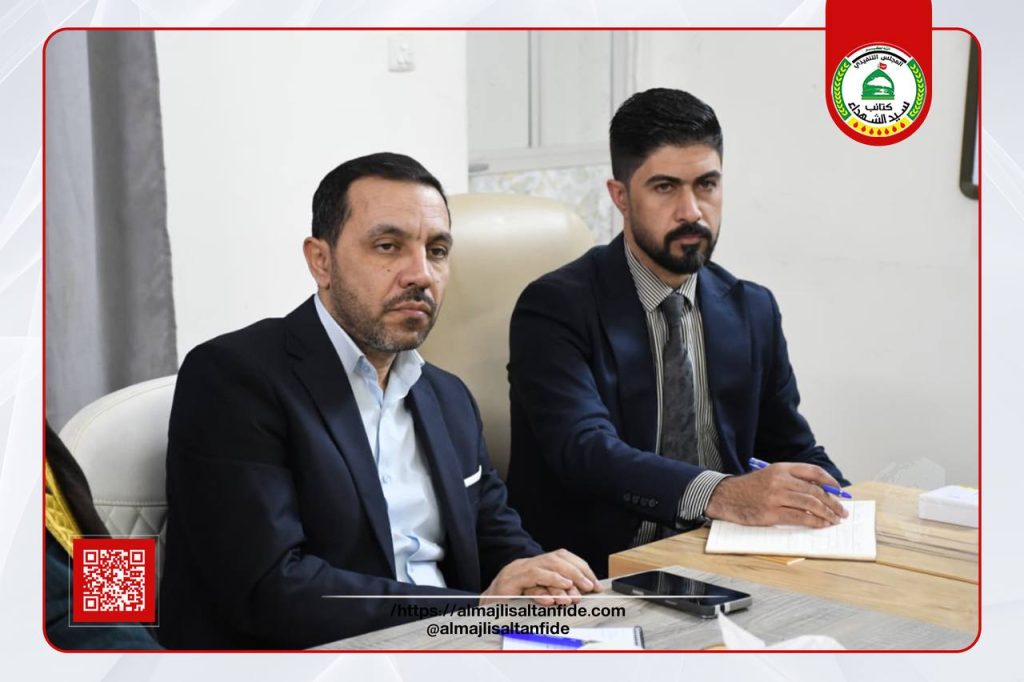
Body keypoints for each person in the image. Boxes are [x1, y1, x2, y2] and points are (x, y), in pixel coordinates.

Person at [159, 152, 600, 650]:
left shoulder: (448, 396)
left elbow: (494, 534)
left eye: (437, 250)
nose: (421, 274)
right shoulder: (234, 378)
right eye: (388, 246)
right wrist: (472, 612)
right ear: (320, 261)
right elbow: (271, 587)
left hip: (460, 647)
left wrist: (539, 578)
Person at [505, 89, 850, 578]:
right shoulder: (555, 307)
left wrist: (848, 507)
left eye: (706, 184)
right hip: (596, 574)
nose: (692, 211)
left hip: (729, 558)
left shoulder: (752, 308)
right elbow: (587, 453)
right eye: (665, 187)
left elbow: (790, 447)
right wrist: (723, 494)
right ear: (620, 196)